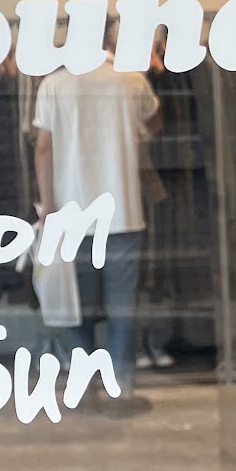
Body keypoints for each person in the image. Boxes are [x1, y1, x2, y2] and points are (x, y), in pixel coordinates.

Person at [32, 23, 161, 407]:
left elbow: (43, 148)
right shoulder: (131, 80)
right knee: (123, 307)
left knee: (78, 308)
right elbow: (155, 122)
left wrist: (48, 205)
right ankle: (120, 385)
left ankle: (85, 383)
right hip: (123, 211)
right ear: (108, 37)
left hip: (72, 215)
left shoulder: (54, 85)